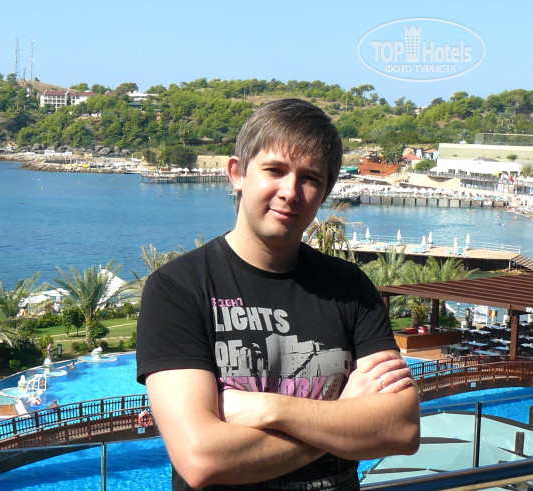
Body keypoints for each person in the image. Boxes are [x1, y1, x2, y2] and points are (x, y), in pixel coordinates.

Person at [136, 99, 420, 490]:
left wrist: (270, 409)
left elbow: (401, 429)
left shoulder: (350, 288)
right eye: (275, 170)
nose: (290, 192)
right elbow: (201, 460)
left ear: (324, 193)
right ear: (237, 173)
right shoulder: (178, 289)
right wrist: (342, 415)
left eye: (310, 178)